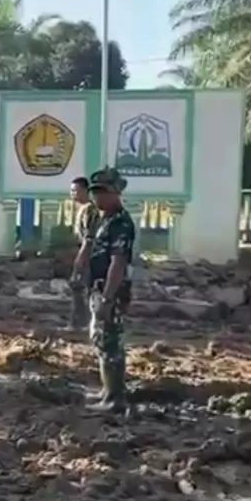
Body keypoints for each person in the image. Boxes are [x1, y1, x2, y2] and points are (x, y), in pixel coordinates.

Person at [83, 167, 136, 413]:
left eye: (102, 192)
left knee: (110, 341)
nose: (97, 197)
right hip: (98, 287)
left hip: (111, 290)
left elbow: (118, 262)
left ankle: (115, 399)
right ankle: (107, 391)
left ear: (116, 192)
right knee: (101, 339)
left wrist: (107, 298)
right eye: (94, 192)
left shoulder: (121, 223)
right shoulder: (102, 219)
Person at [67, 176, 97, 330]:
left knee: (79, 285)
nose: (72, 194)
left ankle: (81, 322)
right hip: (87, 254)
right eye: (71, 191)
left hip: (90, 256)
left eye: (75, 190)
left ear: (85, 191)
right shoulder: (85, 209)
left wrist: (81, 257)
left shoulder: (89, 210)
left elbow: (89, 237)